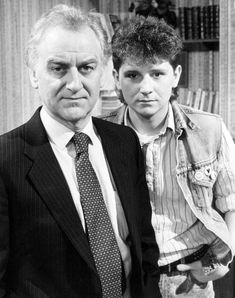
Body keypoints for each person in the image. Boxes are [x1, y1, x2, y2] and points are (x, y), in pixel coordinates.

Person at [0, 6, 161, 298]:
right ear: (34, 75)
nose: (74, 84)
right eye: (58, 68)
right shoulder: (5, 159)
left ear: (103, 72)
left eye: (86, 67)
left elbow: (144, 246)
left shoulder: (125, 142)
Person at [102, 16, 235, 297]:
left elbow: (232, 204)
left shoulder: (209, 129)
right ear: (116, 78)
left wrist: (222, 259)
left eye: (157, 74)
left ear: (175, 75)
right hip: (126, 281)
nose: (146, 87)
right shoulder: (100, 135)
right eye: (133, 75)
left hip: (191, 280)